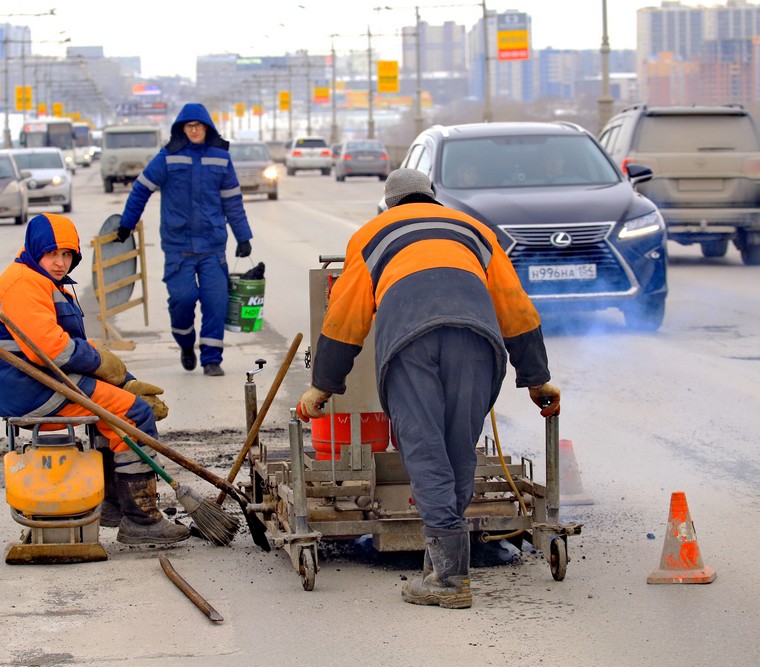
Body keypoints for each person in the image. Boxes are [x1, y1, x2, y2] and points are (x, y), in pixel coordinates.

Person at [295, 169, 561, 609]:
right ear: (433, 198)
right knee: (458, 449)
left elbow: (345, 319)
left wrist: (323, 387)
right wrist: (536, 379)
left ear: (388, 203)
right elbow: (516, 306)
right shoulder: (474, 230)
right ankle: (444, 563)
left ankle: (449, 579)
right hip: (478, 341)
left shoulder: (372, 233)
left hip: (409, 342)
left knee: (424, 448)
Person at [0, 212, 189, 545]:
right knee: (133, 414)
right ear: (36, 250)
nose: (61, 263)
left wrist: (124, 379)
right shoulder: (25, 284)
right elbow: (53, 352)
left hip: (43, 381)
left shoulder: (46, 282)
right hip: (29, 387)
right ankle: (141, 520)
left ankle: (113, 505)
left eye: (67, 255)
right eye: (52, 254)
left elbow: (71, 346)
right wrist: (105, 366)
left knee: (120, 411)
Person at [115, 102, 254, 377]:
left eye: (198, 126)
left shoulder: (220, 158)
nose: (194, 130)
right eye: (189, 126)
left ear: (207, 128)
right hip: (178, 247)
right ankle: (186, 344)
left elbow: (233, 201)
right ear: (182, 129)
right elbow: (141, 189)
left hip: (213, 245)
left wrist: (243, 236)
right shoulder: (168, 157)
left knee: (216, 302)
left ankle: (212, 359)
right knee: (183, 299)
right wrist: (126, 223)